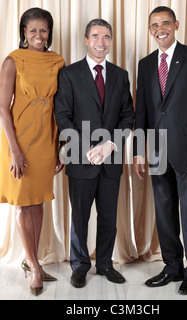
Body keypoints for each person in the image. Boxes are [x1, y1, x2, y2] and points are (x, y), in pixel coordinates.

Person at [133, 6, 187, 295]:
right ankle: (172, 267)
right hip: (156, 151)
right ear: (150, 30)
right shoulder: (144, 65)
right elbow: (140, 112)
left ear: (176, 25)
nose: (160, 29)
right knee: (164, 212)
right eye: (154, 25)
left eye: (165, 23)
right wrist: (138, 152)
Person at [55, 19, 135, 289]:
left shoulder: (120, 75)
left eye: (107, 37)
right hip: (81, 161)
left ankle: (105, 264)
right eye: (96, 36)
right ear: (86, 40)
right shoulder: (69, 74)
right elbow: (63, 117)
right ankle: (79, 266)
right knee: (79, 216)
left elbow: (128, 117)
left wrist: (110, 145)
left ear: (111, 41)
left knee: (109, 217)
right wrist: (85, 150)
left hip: (111, 161)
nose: (101, 42)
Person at [0, 8, 65, 297]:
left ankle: (30, 258)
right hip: (19, 140)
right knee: (24, 203)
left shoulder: (57, 61)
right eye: (33, 30)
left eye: (44, 30)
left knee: (38, 202)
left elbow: (63, 105)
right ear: (24, 31)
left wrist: (61, 146)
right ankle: (34, 266)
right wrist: (15, 152)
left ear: (50, 32)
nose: (39, 35)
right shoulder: (13, 60)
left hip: (46, 138)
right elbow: (2, 108)